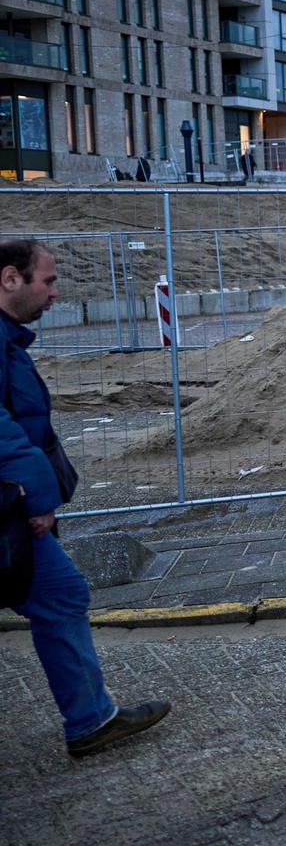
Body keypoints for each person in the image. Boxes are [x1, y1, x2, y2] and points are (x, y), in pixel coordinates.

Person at [1, 240, 172, 758]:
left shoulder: (8, 341)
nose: (55, 293)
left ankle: (91, 719)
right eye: (47, 282)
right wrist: (39, 500)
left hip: (11, 503)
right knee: (61, 592)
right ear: (11, 279)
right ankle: (90, 719)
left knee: (62, 593)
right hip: (15, 505)